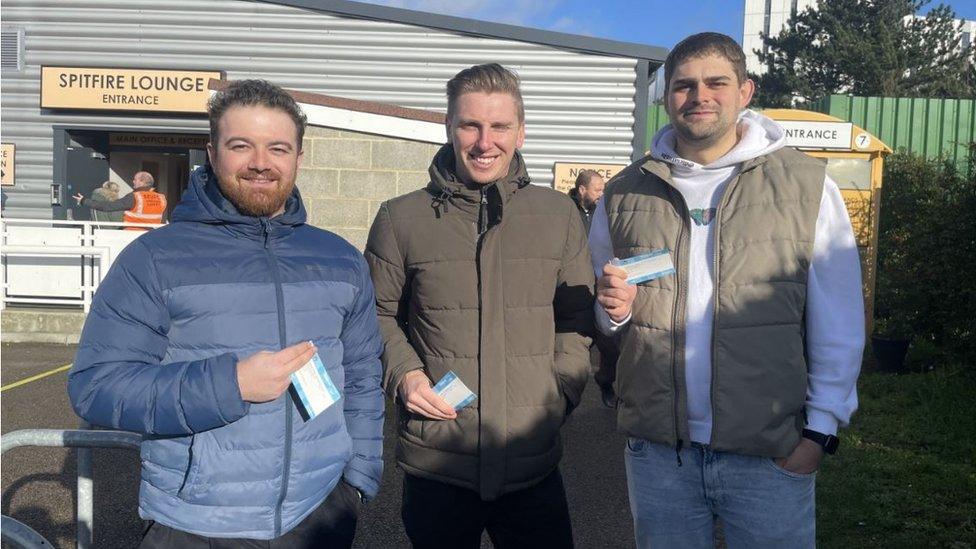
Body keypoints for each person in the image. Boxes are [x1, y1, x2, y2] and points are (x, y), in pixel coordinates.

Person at [68, 79, 384, 548]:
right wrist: (230, 385)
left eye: (278, 147)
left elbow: (362, 374)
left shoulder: (340, 258)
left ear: (299, 157)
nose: (261, 162)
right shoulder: (154, 259)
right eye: (241, 145)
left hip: (320, 513)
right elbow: (97, 386)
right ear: (212, 153)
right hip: (195, 523)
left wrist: (357, 477)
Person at [589, 32, 864, 548]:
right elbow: (606, 316)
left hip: (769, 455)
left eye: (716, 83)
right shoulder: (625, 192)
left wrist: (819, 433)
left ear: (746, 91)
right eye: (683, 86)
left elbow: (840, 320)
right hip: (659, 455)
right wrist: (613, 313)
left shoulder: (807, 187)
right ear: (666, 96)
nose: (699, 97)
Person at [365, 63, 594, 549]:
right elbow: (376, 314)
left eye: (500, 126)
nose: (484, 141)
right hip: (440, 459)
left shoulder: (559, 214)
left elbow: (575, 316)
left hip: (531, 460)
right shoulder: (400, 217)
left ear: (522, 132)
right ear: (448, 127)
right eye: (470, 124)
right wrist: (404, 373)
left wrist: (561, 392)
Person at [73, 171, 166, 230]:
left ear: (142, 182)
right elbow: (162, 219)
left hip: (131, 235)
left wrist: (84, 201)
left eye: (135, 180)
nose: (133, 181)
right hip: (151, 234)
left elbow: (108, 206)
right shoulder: (162, 198)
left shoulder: (134, 196)